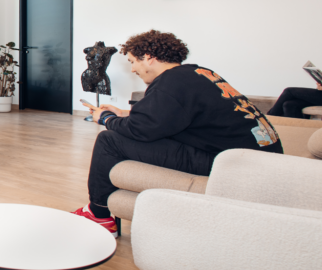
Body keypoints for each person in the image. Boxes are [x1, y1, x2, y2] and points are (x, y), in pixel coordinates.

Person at [75, 30, 283, 236]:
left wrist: (105, 119)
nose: (132, 69)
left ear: (148, 58)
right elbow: (172, 116)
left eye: (132, 62)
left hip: (230, 164)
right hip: (257, 159)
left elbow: (140, 129)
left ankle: (98, 213)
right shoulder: (198, 73)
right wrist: (123, 113)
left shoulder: (170, 82)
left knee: (109, 139)